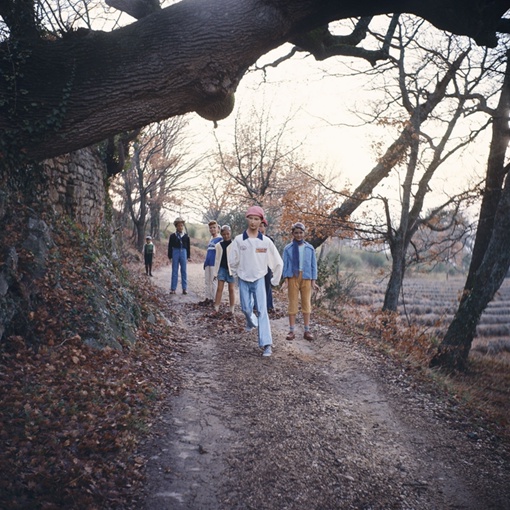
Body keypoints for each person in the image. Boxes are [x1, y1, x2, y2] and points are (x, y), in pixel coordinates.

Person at [229, 206, 283, 357]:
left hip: (259, 278)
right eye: (251, 218)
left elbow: (277, 261)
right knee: (246, 308)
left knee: (262, 310)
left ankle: (266, 344)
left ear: (261, 221)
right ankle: (250, 320)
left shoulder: (265, 242)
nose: (253, 222)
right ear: (247, 219)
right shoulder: (239, 240)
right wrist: (234, 275)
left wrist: (275, 280)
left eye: (257, 219)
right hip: (244, 278)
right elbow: (232, 259)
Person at [282, 222, 319, 341]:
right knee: (292, 302)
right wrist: (286, 280)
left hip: (306, 277)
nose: (298, 235)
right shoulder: (288, 248)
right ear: (292, 233)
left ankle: (307, 330)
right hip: (293, 276)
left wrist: (313, 281)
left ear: (304, 233)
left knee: (306, 303)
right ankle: (291, 330)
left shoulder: (309, 248)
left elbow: (313, 265)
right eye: (296, 233)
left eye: (301, 233)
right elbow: (286, 265)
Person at [212, 225, 236, 315]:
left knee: (231, 289)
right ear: (221, 234)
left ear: (230, 233)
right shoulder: (218, 245)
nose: (226, 236)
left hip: (231, 269)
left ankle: (232, 309)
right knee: (219, 288)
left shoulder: (234, 245)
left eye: (228, 234)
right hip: (221, 269)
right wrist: (215, 273)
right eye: (224, 234)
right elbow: (217, 259)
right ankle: (216, 307)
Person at [199, 220, 222, 306]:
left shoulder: (220, 239)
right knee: (207, 281)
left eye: (214, 227)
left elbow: (220, 253)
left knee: (213, 281)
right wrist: (205, 263)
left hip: (214, 263)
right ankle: (207, 298)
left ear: (218, 229)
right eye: (211, 228)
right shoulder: (211, 239)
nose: (212, 229)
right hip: (208, 263)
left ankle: (214, 300)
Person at [167, 217, 191, 295]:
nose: (180, 227)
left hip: (183, 252)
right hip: (175, 252)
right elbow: (170, 246)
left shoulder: (186, 236)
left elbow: (188, 246)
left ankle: (184, 288)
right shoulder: (173, 236)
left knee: (183, 271)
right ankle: (173, 288)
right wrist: (170, 256)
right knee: (174, 270)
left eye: (181, 225)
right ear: (176, 226)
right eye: (178, 225)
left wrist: (188, 256)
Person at [258, 218, 275, 313]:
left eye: (261, 226)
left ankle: (268, 305)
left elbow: (271, 253)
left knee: (267, 284)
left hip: (267, 265)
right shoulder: (254, 239)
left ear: (265, 227)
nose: (260, 228)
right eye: (259, 226)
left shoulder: (269, 239)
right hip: (257, 264)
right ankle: (257, 305)